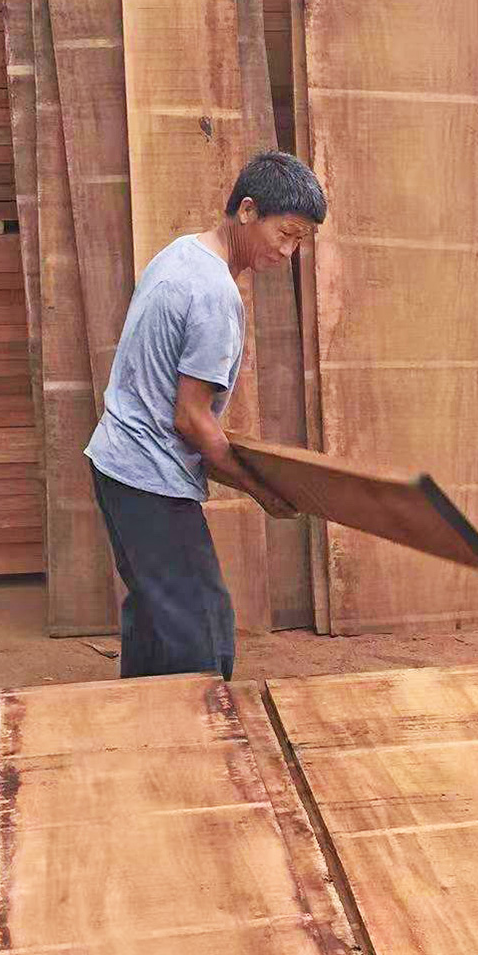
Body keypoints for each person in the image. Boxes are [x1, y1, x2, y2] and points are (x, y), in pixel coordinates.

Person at [85, 151, 327, 681]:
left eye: (299, 241)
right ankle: (200, 729)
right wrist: (262, 491)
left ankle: (146, 718)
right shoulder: (216, 295)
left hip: (115, 464)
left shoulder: (181, 252)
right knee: (202, 637)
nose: (287, 251)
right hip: (148, 477)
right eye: (285, 234)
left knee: (156, 615)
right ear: (247, 210)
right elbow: (191, 419)